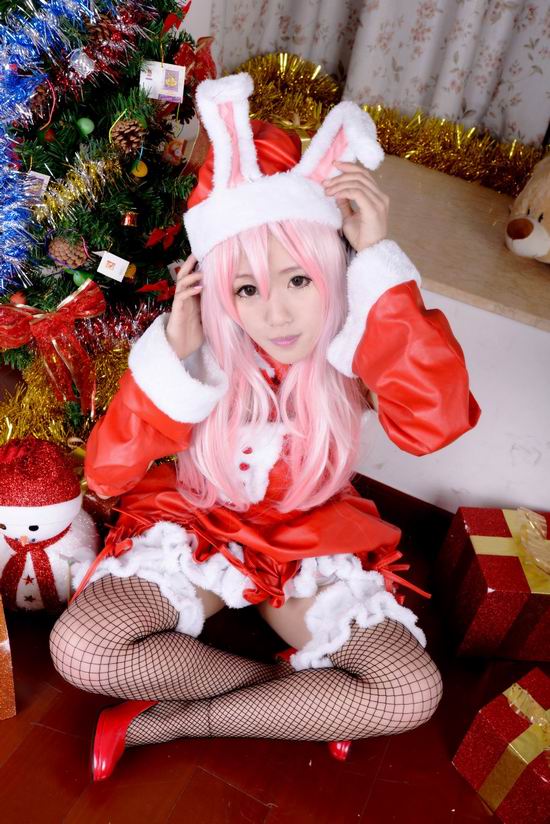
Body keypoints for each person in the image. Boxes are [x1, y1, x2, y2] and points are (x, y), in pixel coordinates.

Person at [49, 73, 481, 781]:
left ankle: (170, 721)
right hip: (197, 522)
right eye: (247, 288)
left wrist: (380, 264)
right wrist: (176, 357)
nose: (275, 314)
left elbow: (435, 423)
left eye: (298, 280)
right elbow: (106, 473)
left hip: (310, 537)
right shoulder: (204, 347)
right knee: (83, 651)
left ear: (329, 272)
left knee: (408, 693)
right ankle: (304, 701)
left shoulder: (359, 332)